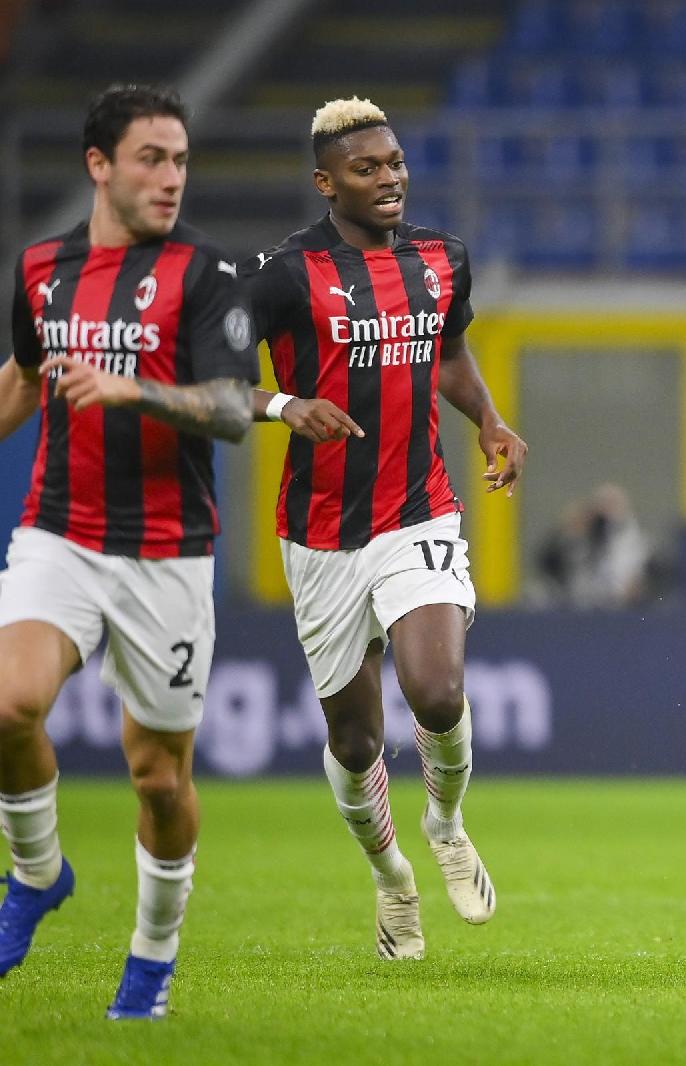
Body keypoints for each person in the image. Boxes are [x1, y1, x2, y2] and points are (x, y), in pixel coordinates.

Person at [243, 97, 527, 959]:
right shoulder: (284, 273)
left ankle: (444, 823)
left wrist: (489, 421)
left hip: (419, 508)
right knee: (356, 736)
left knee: (437, 691)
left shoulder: (443, 260)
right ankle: (390, 874)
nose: (390, 178)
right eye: (367, 169)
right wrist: (286, 405)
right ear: (326, 183)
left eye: (395, 162)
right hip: (321, 532)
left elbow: (448, 352)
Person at [0, 84, 257, 1018]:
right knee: (7, 703)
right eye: (151, 157)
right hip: (59, 530)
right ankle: (36, 874)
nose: (171, 178)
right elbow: (29, 381)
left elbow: (234, 408)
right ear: (98, 165)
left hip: (168, 554)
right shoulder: (39, 269)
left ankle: (151, 958)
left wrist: (134, 391)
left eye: (181, 160)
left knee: (158, 776)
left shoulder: (204, 276)